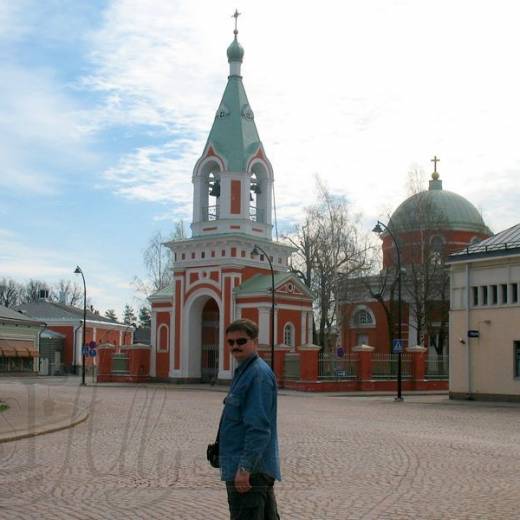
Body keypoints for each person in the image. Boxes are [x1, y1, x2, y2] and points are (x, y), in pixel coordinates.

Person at [219, 318, 281, 520]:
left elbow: (259, 428)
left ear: (254, 342)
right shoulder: (245, 371)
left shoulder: (257, 375)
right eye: (231, 342)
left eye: (241, 341)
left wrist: (245, 468)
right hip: (249, 467)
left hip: (250, 471)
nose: (235, 346)